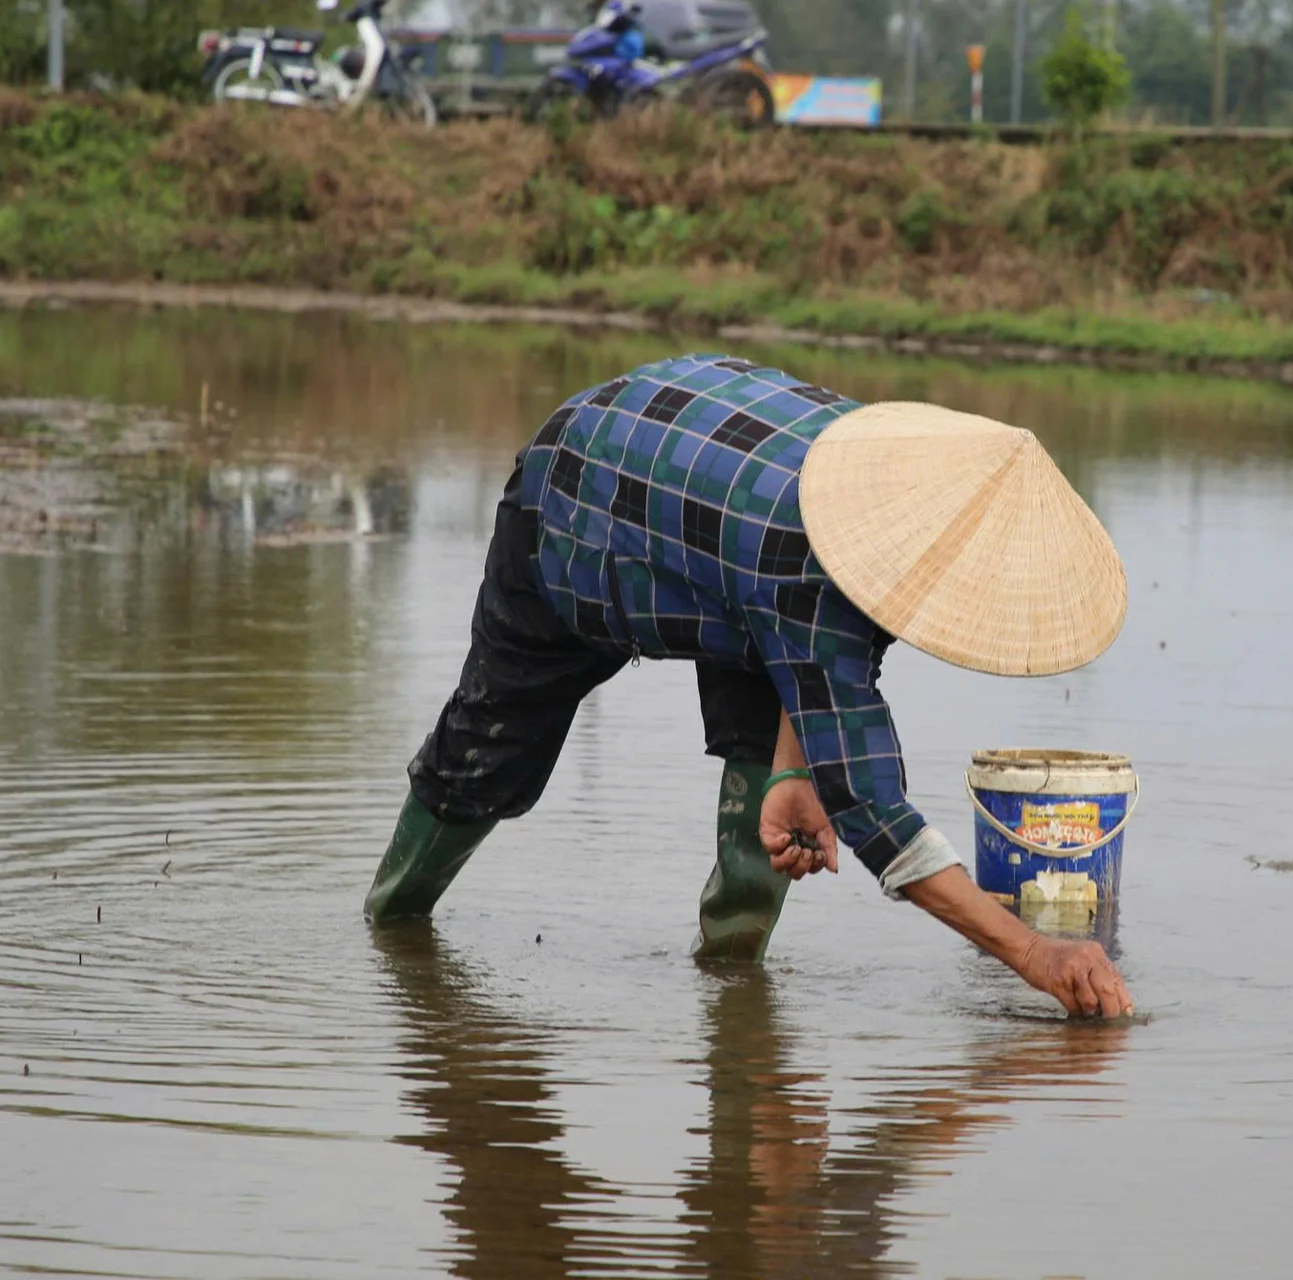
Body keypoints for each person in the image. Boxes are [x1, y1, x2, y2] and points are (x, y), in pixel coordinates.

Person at [365, 353, 1135, 1018]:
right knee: (485, 752)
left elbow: (835, 639)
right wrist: (1035, 953)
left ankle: (730, 980)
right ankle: (392, 923)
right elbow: (871, 810)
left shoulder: (890, 502)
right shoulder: (813, 559)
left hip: (725, 525)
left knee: (771, 768)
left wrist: (795, 767)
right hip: (578, 498)